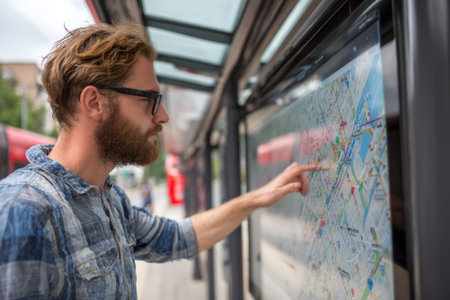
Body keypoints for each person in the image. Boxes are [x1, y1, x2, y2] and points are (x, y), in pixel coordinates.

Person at [0, 23, 317, 299]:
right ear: (94, 102)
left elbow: (177, 238)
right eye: (150, 100)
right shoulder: (24, 212)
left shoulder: (109, 198)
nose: (162, 117)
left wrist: (259, 197)